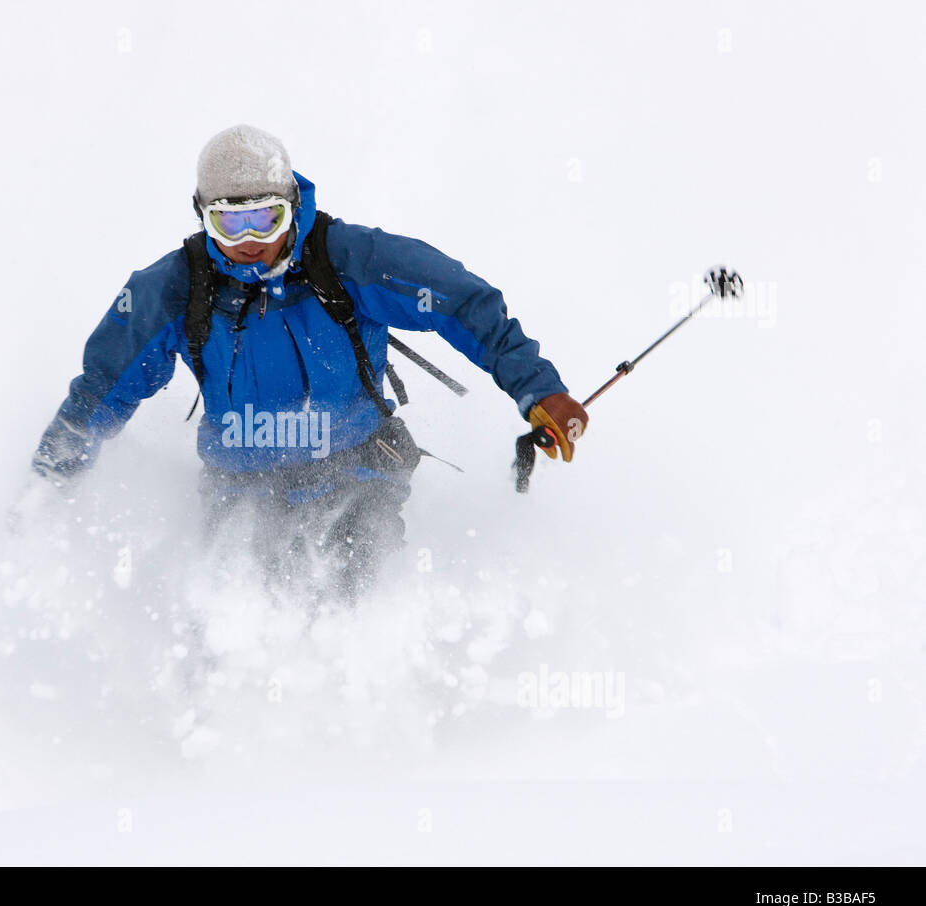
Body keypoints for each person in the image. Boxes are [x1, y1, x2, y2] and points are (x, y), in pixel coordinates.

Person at [33, 124, 588, 597]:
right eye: (230, 224)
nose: (250, 241)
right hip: (241, 484)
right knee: (235, 609)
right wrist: (45, 489)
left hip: (357, 468)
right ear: (202, 216)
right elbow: (102, 390)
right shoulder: (175, 289)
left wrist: (537, 390)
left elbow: (465, 305)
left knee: (355, 594)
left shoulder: (348, 260)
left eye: (266, 219)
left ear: (292, 206)